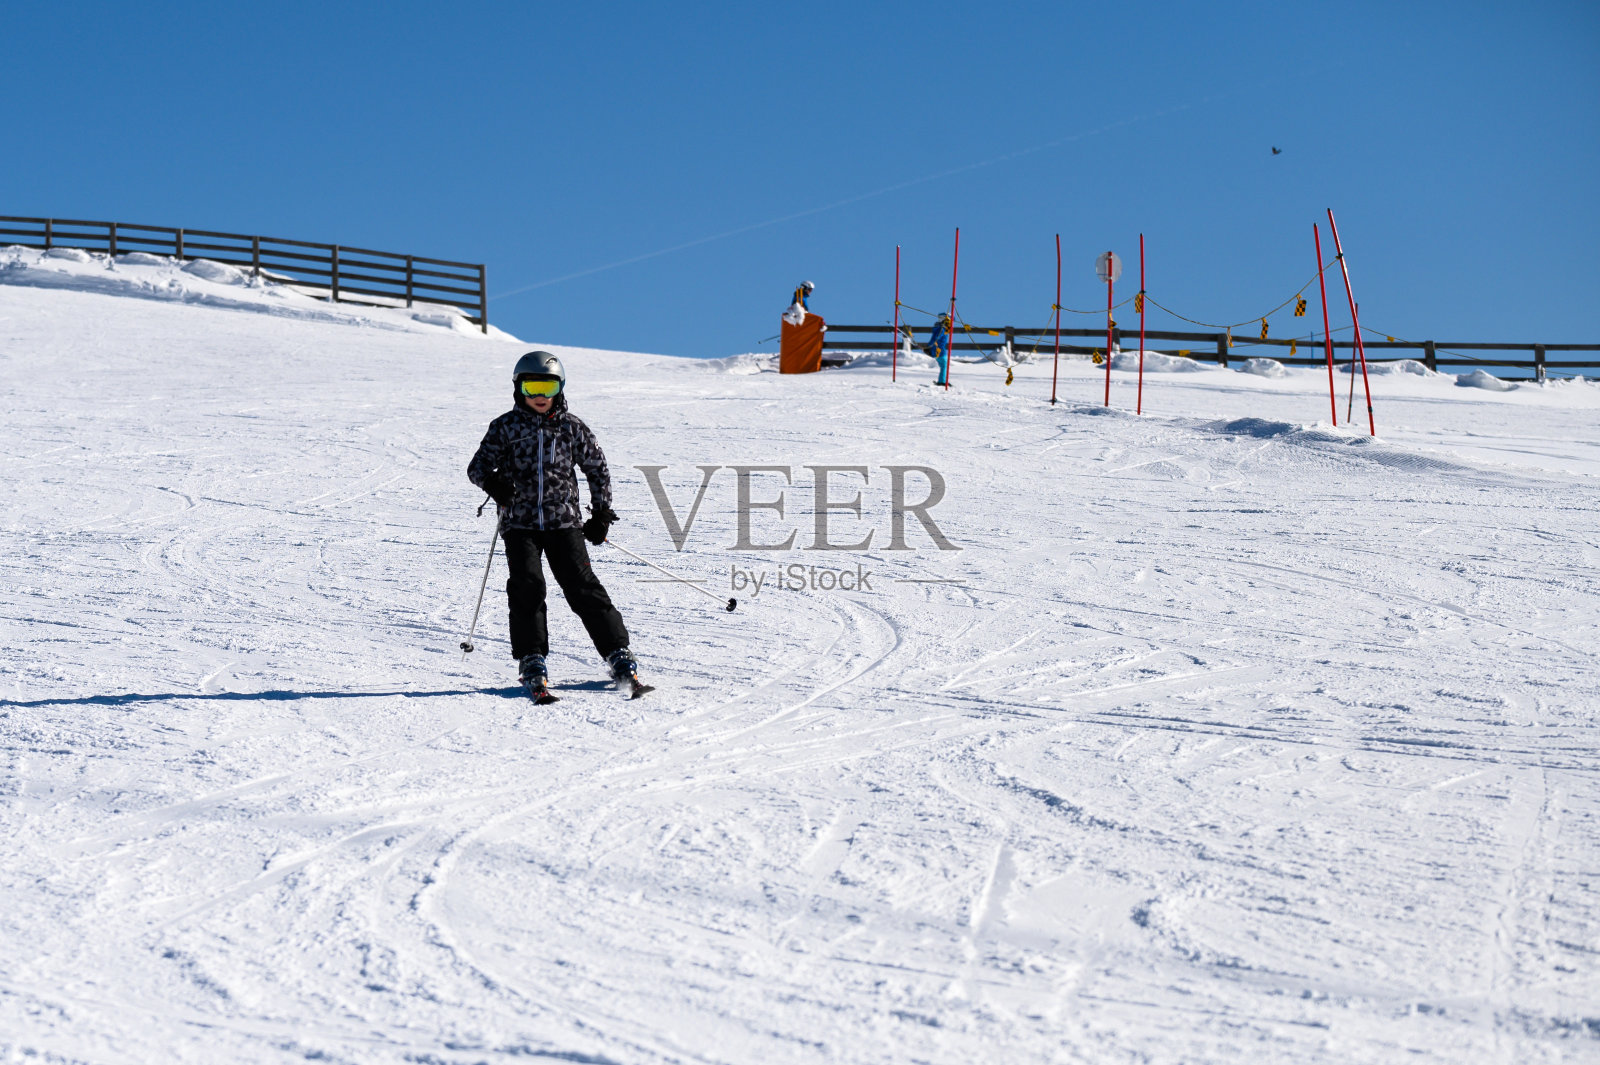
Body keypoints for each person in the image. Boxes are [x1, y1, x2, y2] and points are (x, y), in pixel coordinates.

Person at [467, 350, 640, 696]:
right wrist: (494, 483)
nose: (540, 396)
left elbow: (597, 469)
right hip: (520, 524)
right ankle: (532, 657)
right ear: (519, 388)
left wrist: (601, 513)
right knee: (527, 586)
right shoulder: (505, 427)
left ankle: (617, 652)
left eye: (548, 386)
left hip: (564, 522)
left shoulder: (572, 427)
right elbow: (477, 467)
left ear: (560, 387)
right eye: (532, 386)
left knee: (582, 586)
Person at [929, 313, 952, 386]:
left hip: (938, 349)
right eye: (948, 321)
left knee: (944, 365)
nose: (950, 323)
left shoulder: (940, 327)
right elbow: (937, 337)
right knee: (944, 365)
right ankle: (942, 381)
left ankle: (942, 380)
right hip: (939, 349)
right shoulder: (942, 329)